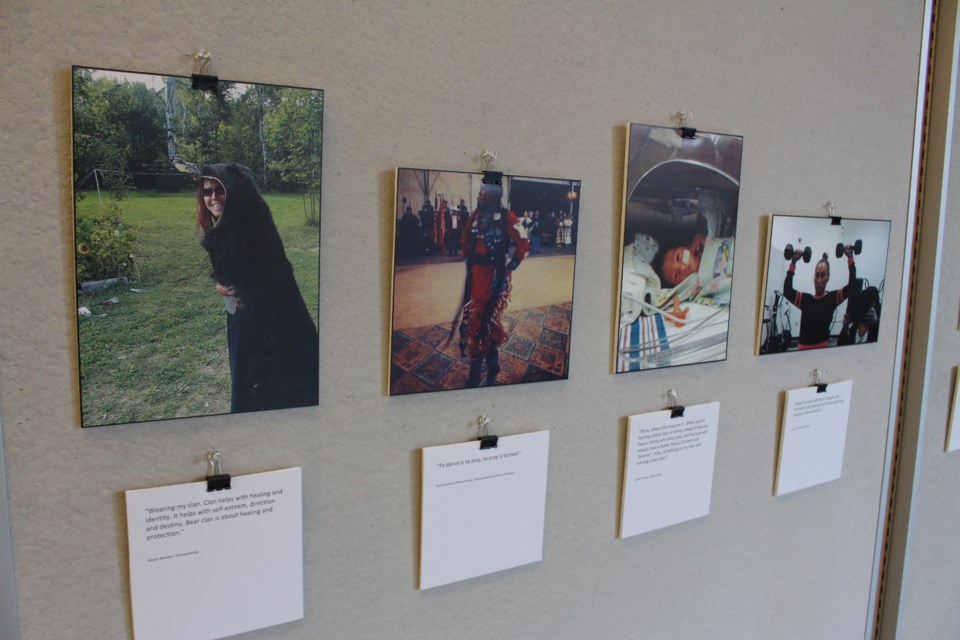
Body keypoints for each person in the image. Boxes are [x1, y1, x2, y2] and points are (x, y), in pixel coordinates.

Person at [188, 161, 320, 412]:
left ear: (235, 192)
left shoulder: (250, 228)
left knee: (273, 388)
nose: (213, 197)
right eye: (207, 191)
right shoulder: (229, 226)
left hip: (268, 325)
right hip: (242, 319)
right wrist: (224, 285)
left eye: (220, 190)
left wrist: (232, 287)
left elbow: (268, 276)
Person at [456, 182, 529, 387]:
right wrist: (467, 255)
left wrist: (514, 262)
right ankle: (492, 362)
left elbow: (523, 238)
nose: (479, 196)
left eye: (483, 193)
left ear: (493, 196)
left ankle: (477, 369)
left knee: (484, 319)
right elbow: (465, 236)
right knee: (478, 318)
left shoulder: (508, 217)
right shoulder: (476, 215)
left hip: (496, 276)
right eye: (479, 193)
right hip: (476, 275)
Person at [782, 249, 858, 350]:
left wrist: (850, 258)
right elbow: (787, 291)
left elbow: (852, 287)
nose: (819, 280)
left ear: (828, 277)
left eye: (823, 275)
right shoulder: (805, 300)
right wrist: (793, 263)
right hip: (802, 352)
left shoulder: (832, 299)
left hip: (821, 352)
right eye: (817, 275)